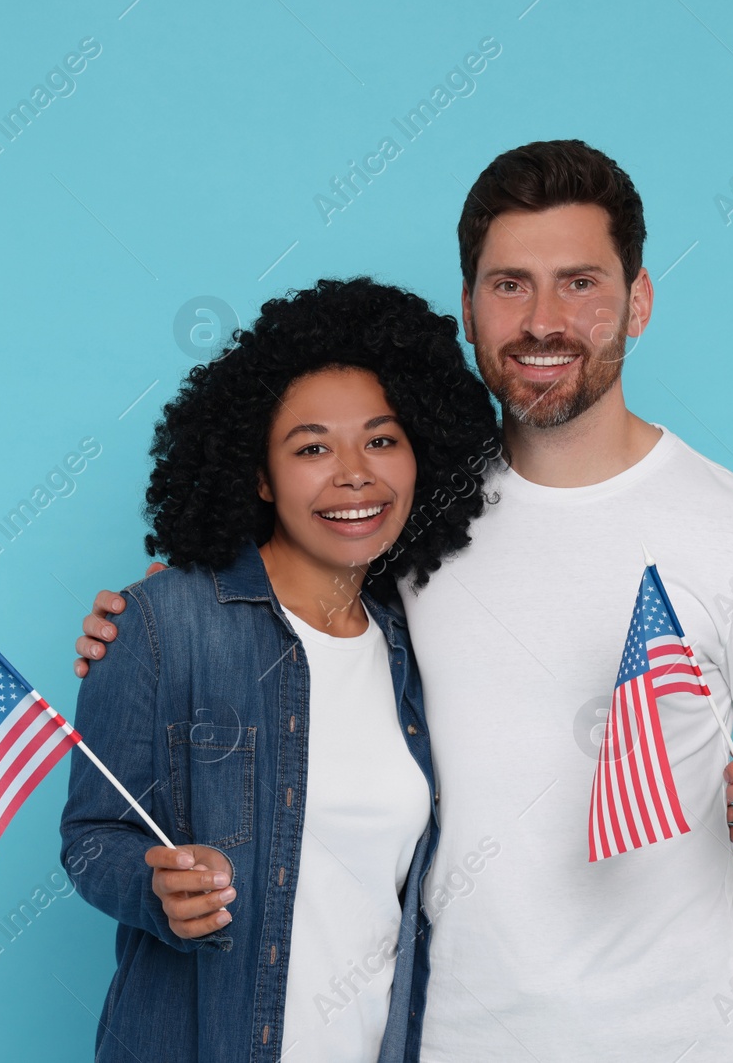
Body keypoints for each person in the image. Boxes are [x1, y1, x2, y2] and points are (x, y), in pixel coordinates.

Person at [74, 141, 733, 1062]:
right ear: (467, 308)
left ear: (639, 302)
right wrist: (147, 620)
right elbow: (285, 603)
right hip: (442, 1036)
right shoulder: (411, 517)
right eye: (509, 285)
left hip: (677, 1035)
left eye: (580, 283)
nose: (543, 321)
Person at [60, 276, 501, 1062]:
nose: (353, 472)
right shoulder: (164, 622)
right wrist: (155, 889)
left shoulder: (415, 645)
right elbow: (92, 835)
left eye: (382, 438)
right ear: (259, 474)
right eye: (311, 447)